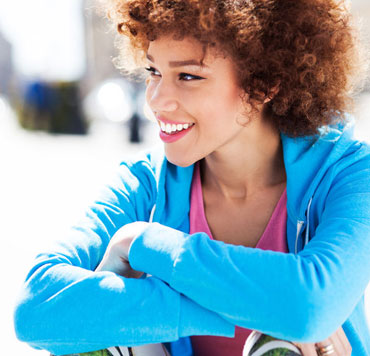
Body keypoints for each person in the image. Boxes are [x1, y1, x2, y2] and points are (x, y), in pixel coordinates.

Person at [13, 0, 370, 355]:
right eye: (154, 72)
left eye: (188, 76)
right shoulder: (147, 186)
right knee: (96, 339)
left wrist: (142, 242)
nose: (157, 100)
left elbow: (311, 306)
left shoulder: (348, 174)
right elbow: (34, 309)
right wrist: (270, 307)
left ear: (264, 84)